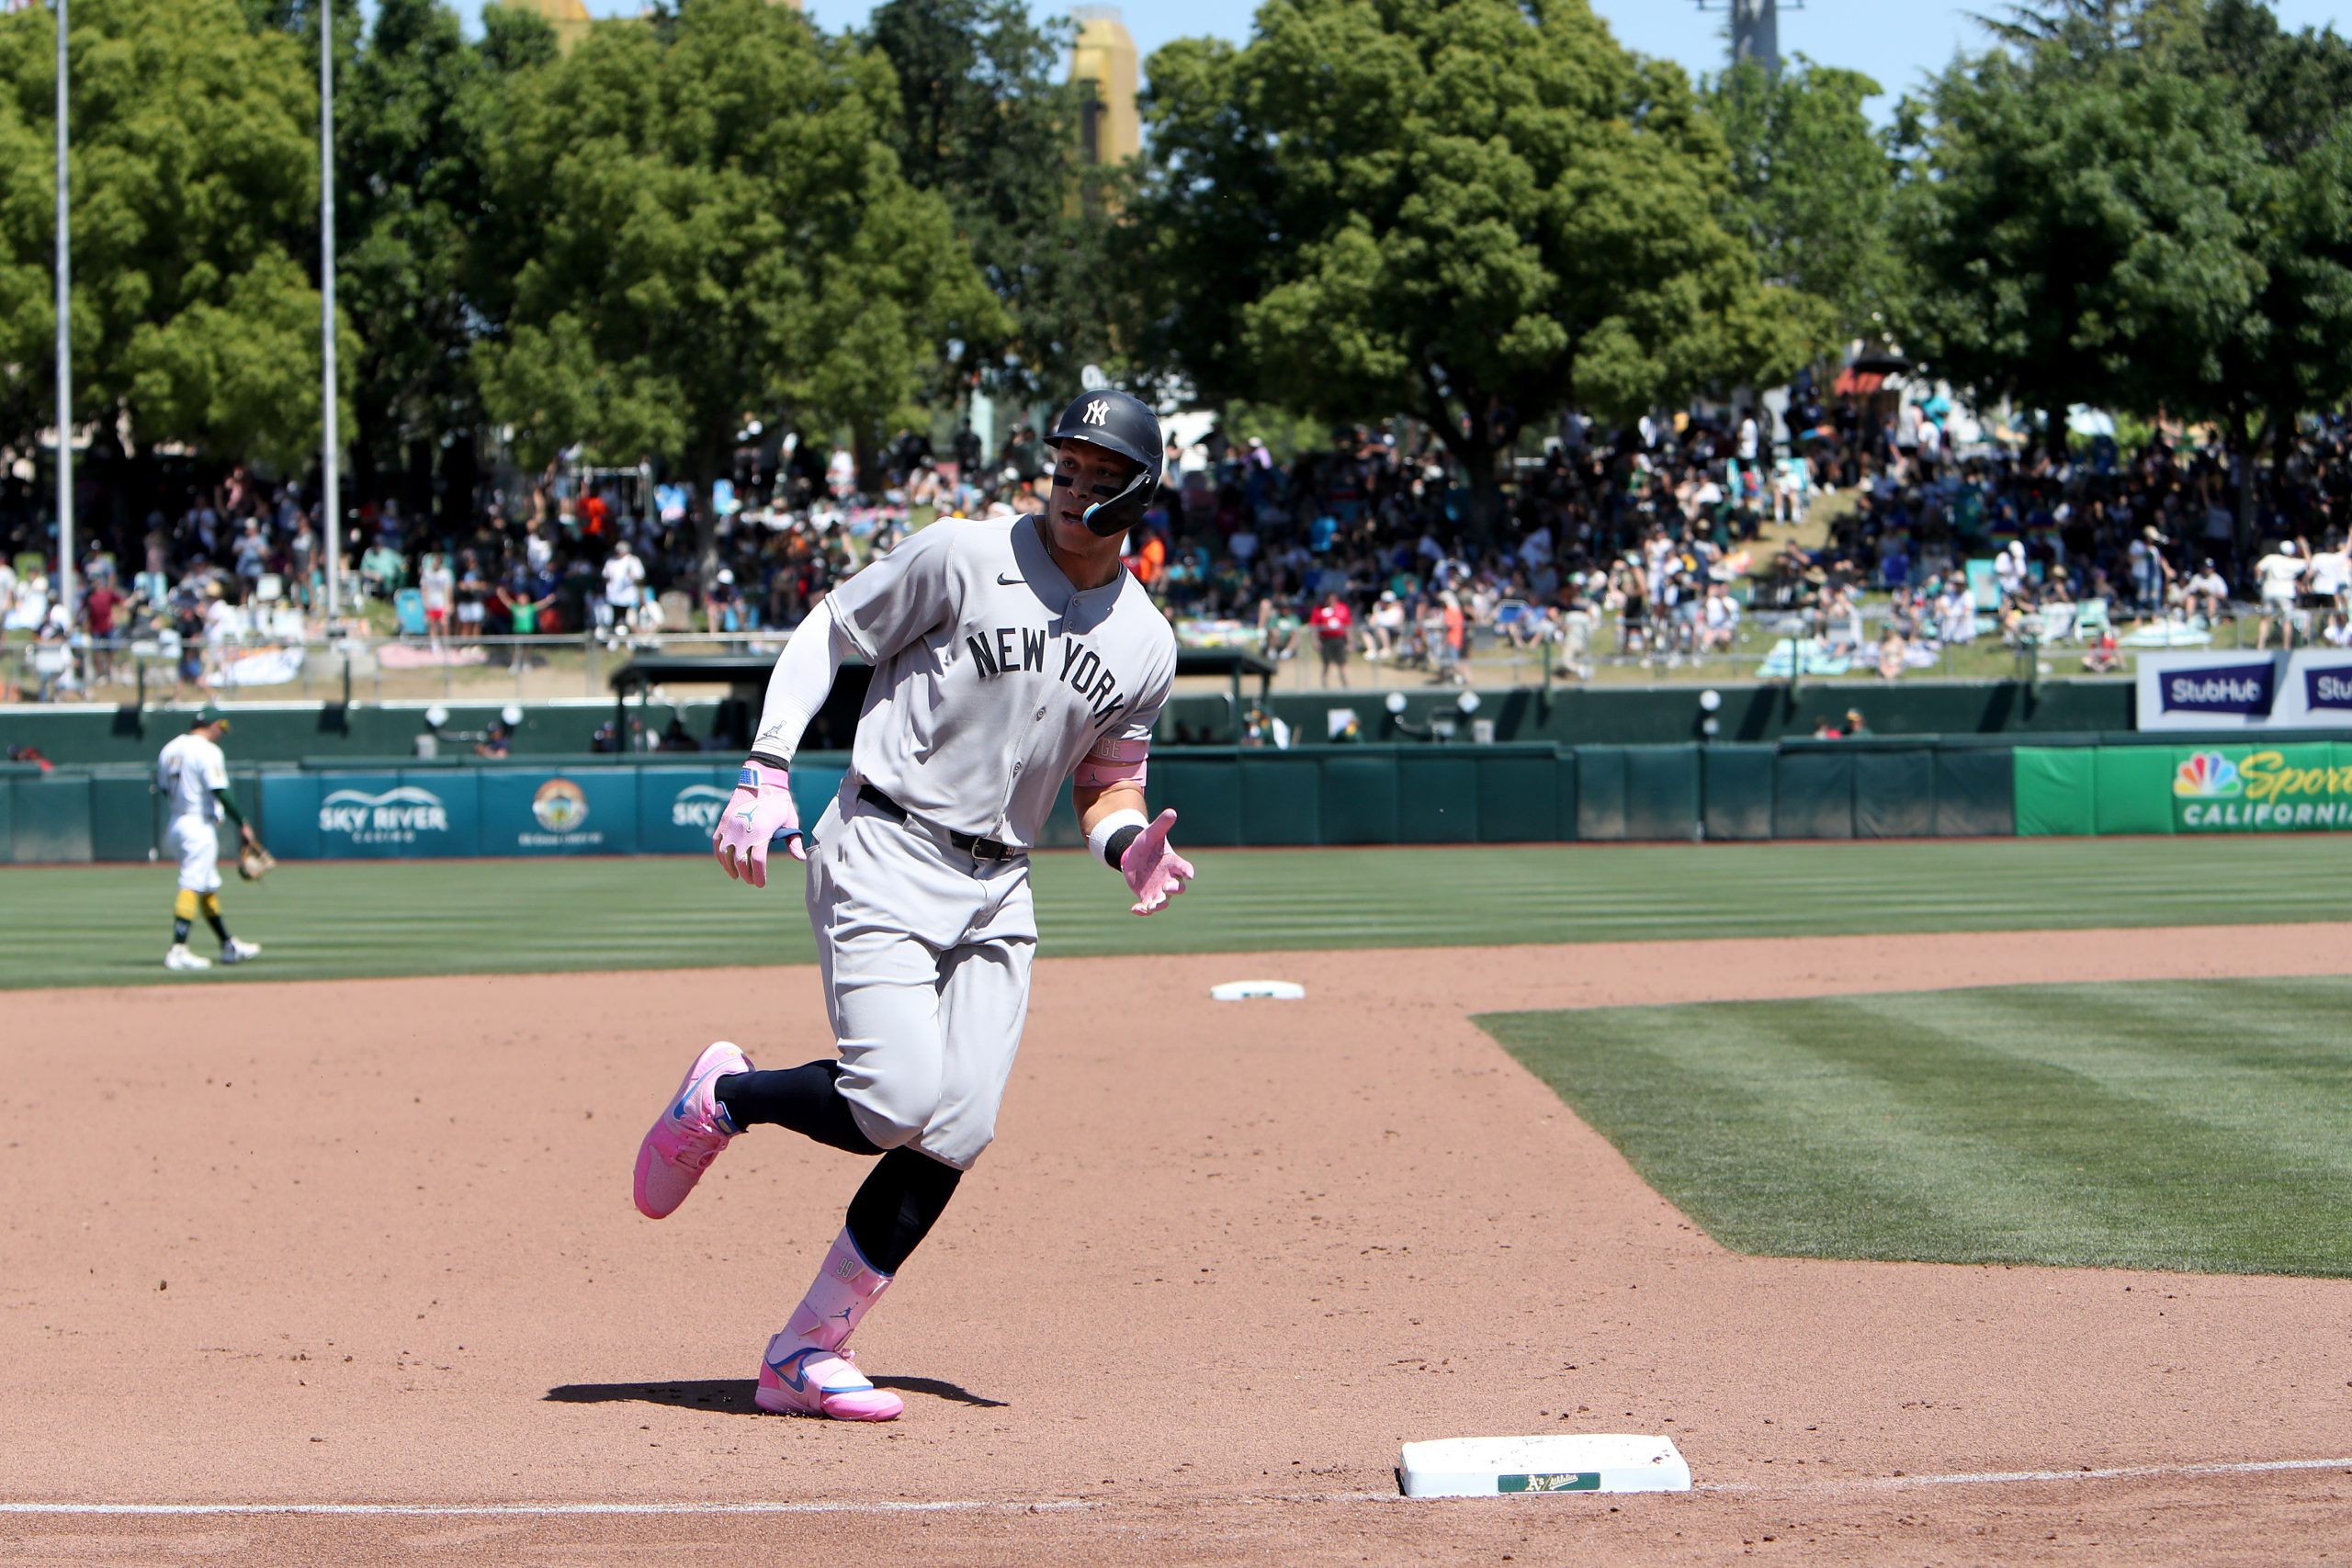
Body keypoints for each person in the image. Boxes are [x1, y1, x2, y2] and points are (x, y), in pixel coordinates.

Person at [630, 387, 1192, 1424]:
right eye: (1064, 470)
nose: (1073, 491)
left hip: (999, 883)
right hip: (885, 841)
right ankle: (727, 1098)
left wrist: (1126, 849)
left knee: (957, 1127)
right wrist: (765, 770)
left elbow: (1106, 784)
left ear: (1138, 496)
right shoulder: (961, 553)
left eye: (1099, 477)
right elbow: (825, 633)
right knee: (892, 1100)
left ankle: (803, 1352)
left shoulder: (1147, 643)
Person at [155, 705, 262, 973]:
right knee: (192, 884)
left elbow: (164, 789)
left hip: (177, 822)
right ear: (213, 725)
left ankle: (228, 945)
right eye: (221, 729)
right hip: (197, 825)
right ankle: (178, 949)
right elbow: (220, 791)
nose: (221, 734)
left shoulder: (169, 749)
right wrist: (243, 823)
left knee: (206, 886)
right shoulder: (208, 751)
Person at [2255, 539, 2308, 649]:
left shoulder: (2271, 558)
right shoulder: (2293, 562)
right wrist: (2304, 546)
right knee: (2287, 619)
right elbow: (2308, 562)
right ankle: (2286, 646)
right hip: (2285, 593)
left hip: (2268, 591)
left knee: (2265, 618)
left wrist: (2259, 580)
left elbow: (2258, 568)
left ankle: (2260, 645)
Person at [1308, 589, 1352, 687]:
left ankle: (1346, 684)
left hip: (1339, 639)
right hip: (1326, 640)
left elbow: (1348, 626)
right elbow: (1314, 627)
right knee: (1327, 663)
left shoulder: (1342, 608)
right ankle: (1325, 685)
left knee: (1342, 663)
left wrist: (1349, 642)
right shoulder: (1319, 609)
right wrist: (1315, 640)